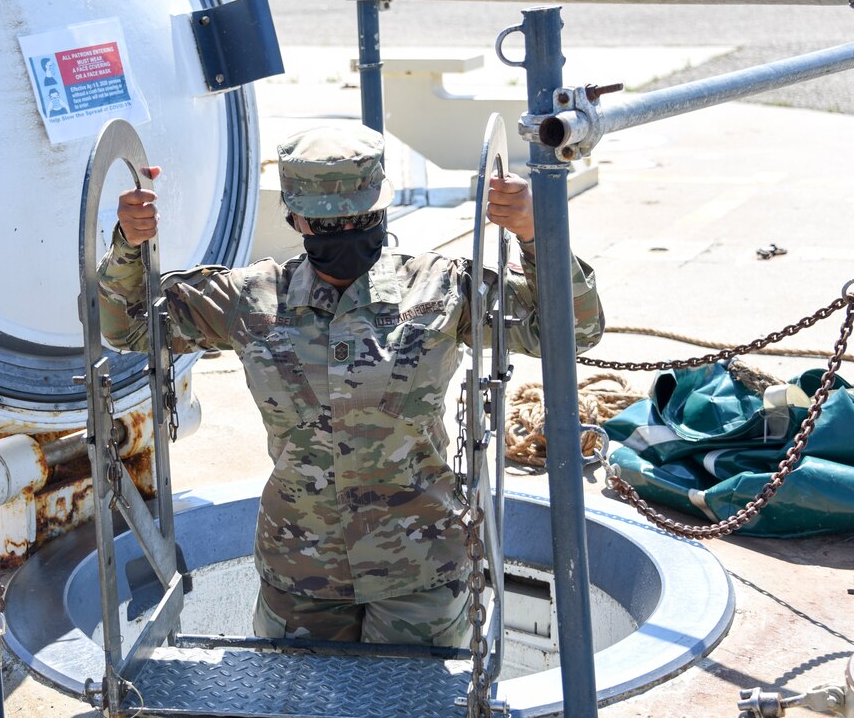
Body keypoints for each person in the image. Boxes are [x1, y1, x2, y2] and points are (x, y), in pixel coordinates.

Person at [98, 125, 604, 647]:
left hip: (420, 569)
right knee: (298, 694)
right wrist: (129, 245)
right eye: (325, 223)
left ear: (382, 209)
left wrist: (535, 233)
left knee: (417, 695)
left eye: (358, 219)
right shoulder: (251, 299)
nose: (342, 231)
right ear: (295, 219)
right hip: (301, 571)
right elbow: (127, 327)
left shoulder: (441, 287)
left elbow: (572, 329)